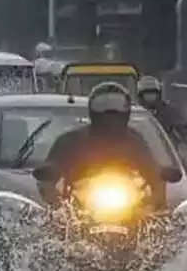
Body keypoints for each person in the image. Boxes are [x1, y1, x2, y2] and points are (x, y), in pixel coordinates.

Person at [38, 81, 166, 210]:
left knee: (159, 226)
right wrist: (58, 205)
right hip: (78, 211)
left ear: (126, 110)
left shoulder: (135, 141)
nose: (110, 114)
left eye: (117, 107)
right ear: (92, 109)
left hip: (129, 208)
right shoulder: (71, 141)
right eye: (102, 107)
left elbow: (154, 173)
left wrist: (151, 205)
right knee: (50, 227)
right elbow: (47, 179)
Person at [136, 75, 187, 143]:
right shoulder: (136, 112)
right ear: (141, 95)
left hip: (165, 148)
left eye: (153, 93)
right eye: (147, 93)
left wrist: (184, 135)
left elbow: (182, 130)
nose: (150, 96)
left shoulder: (170, 111)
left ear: (159, 94)